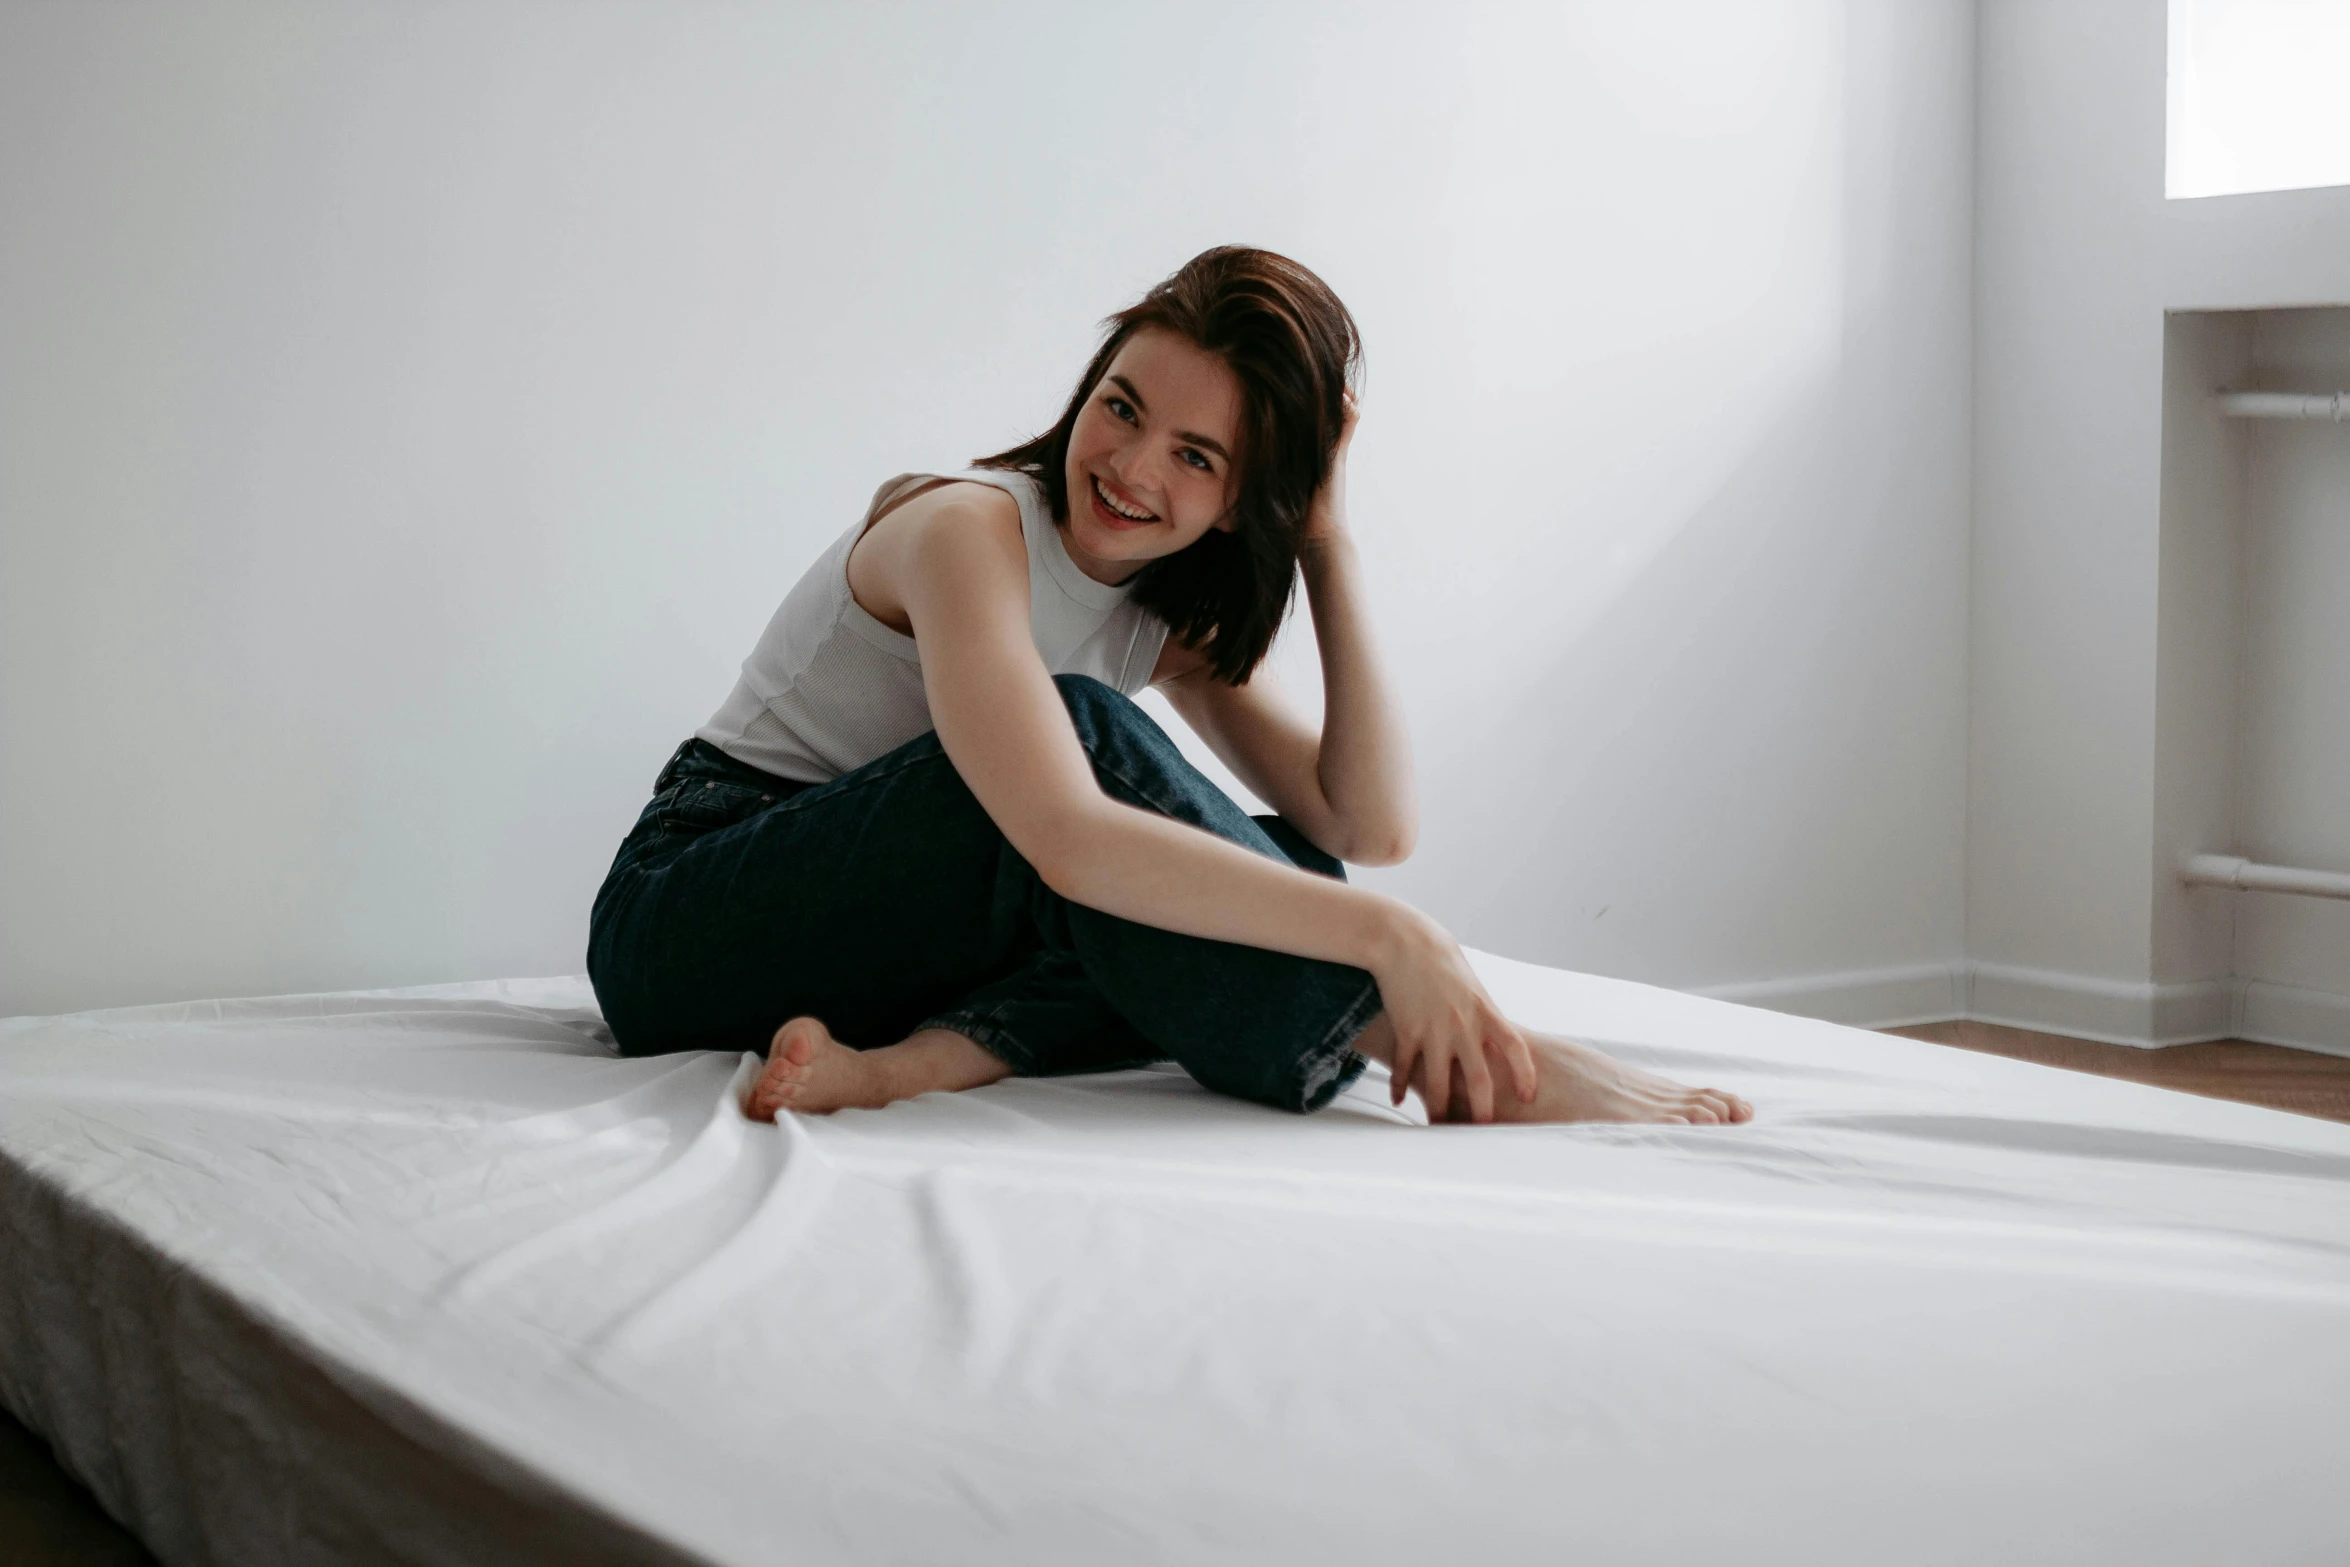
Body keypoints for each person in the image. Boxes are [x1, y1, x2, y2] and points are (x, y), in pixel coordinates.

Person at [587, 246, 1752, 1130]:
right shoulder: (964, 531)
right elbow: (1067, 837)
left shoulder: (1157, 613)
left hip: (868, 957)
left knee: (1277, 865)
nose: (1132, 469)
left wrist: (1327, 544)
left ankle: (911, 1063)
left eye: (1196, 456)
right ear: (1089, 387)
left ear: (1247, 497)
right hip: (687, 914)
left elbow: (1364, 822)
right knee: (1091, 764)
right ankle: (1488, 1064)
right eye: (1122, 408)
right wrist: (1401, 945)